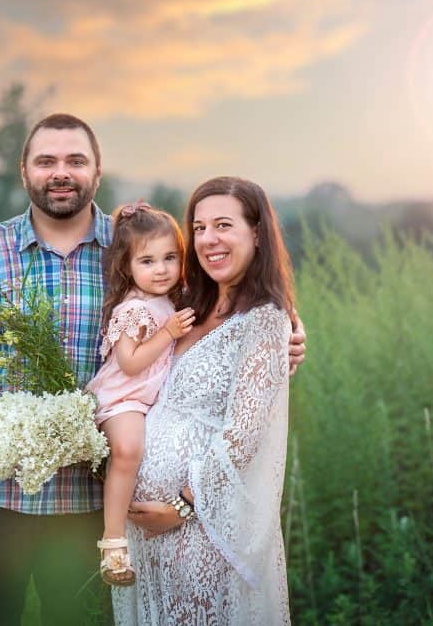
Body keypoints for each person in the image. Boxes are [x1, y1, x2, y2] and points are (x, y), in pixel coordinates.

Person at [0, 113, 307, 626]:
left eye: (75, 161)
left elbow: (217, 303)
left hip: (87, 503)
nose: (60, 172)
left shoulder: (136, 246)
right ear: (25, 172)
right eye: (46, 161)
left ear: (97, 172)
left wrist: (284, 331)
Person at [113, 176, 297, 625]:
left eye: (223, 225)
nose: (208, 240)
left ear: (256, 233)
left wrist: (180, 506)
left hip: (202, 530)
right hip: (148, 538)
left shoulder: (266, 320)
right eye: (197, 228)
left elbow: (243, 435)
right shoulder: (184, 304)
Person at [85, 202, 195, 586]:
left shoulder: (172, 296)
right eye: (147, 261)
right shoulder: (134, 308)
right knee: (129, 451)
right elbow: (129, 363)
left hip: (149, 398)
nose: (161, 269)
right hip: (123, 397)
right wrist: (167, 333)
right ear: (127, 266)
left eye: (170, 258)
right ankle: (113, 544)